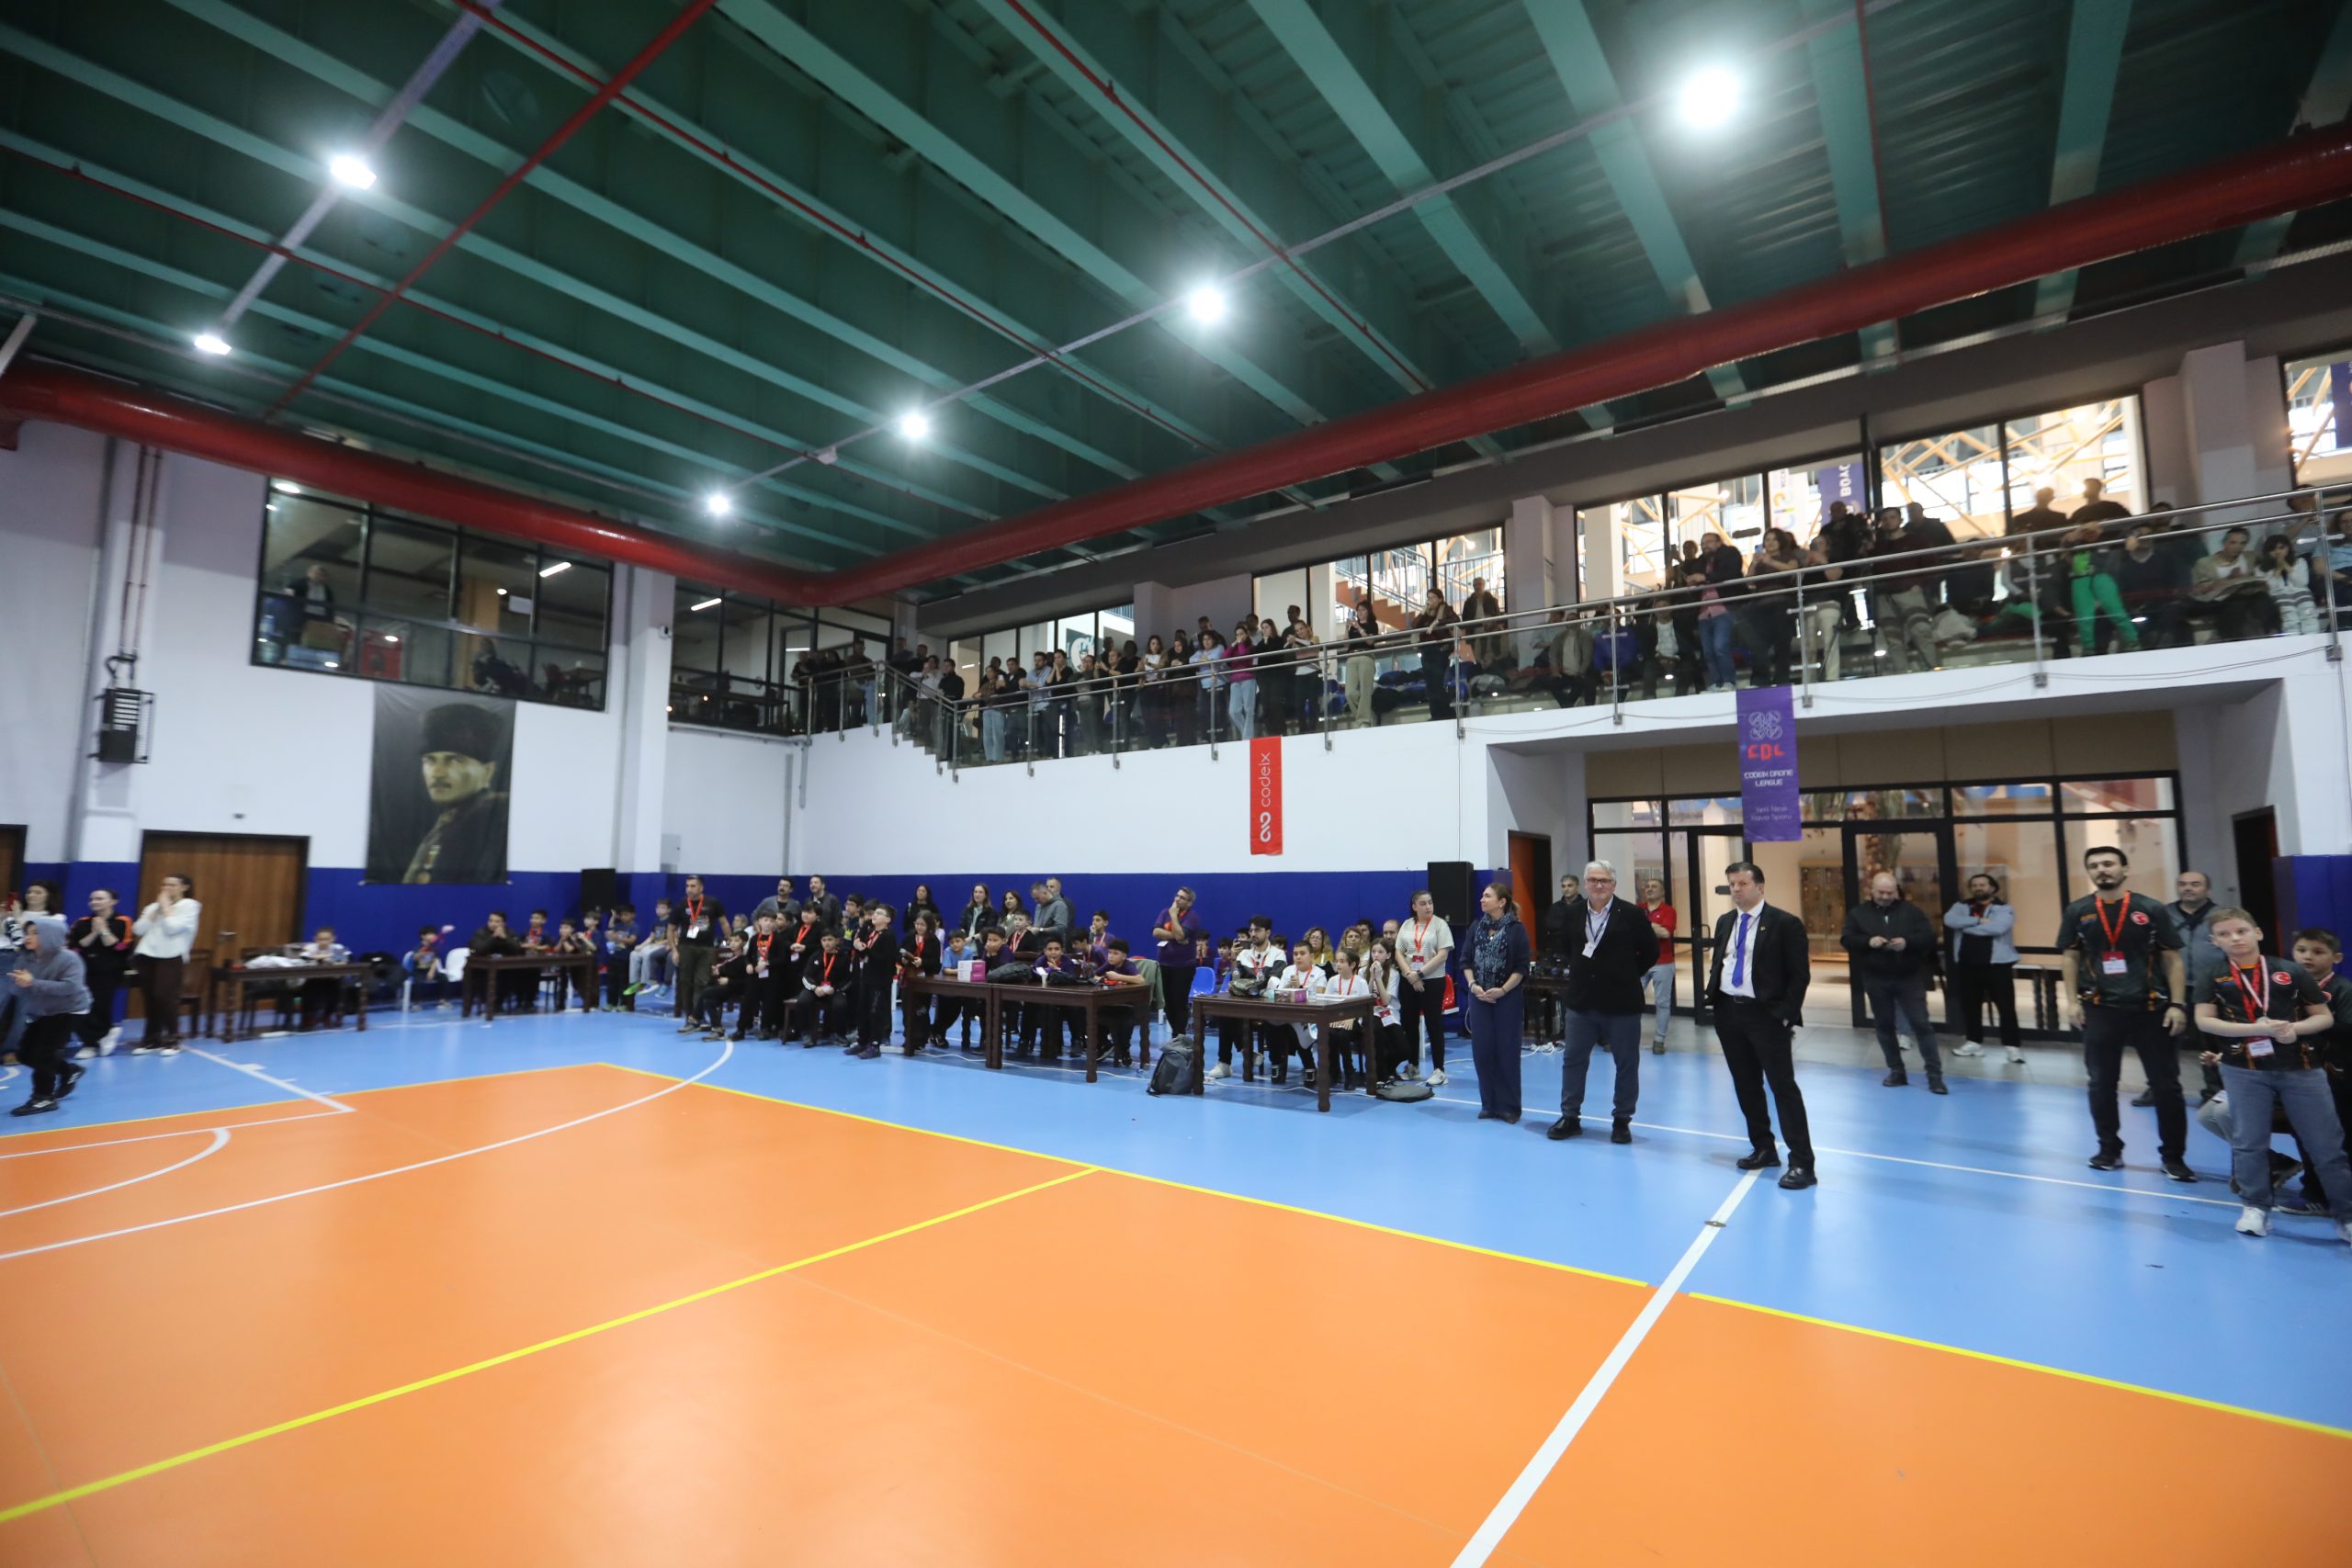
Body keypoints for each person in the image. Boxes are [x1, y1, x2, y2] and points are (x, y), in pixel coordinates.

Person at [2188, 908, 2352, 1242]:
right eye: (2224, 934)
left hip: (2302, 1069)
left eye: (2241, 931)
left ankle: (2347, 1214)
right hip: (2243, 1070)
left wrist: (2293, 1029)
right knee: (2249, 1142)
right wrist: (2254, 1029)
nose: (2235, 938)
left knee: (2326, 1145)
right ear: (2215, 941)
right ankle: (2255, 1208)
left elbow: (2322, 1017)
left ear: (2257, 933)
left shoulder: (2290, 971)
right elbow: (2205, 1021)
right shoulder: (2213, 975)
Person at [2058, 845, 2195, 1180]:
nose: (2101, 869)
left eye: (2108, 863)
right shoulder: (2079, 910)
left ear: (2125, 869)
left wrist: (2177, 1004)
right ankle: (2108, 1149)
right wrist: (2072, 1001)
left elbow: (2172, 959)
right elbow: (2070, 957)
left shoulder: (2150, 908)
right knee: (2101, 1083)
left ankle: (2173, 1157)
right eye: (2094, 865)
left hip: (2152, 1009)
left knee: (2166, 1086)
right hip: (2100, 1009)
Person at [1705, 862, 1816, 1189]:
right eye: (1732, 884)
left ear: (1760, 886)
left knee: (1782, 1087)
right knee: (1745, 1084)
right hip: (1729, 1012)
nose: (1736, 890)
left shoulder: (1785, 923)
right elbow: (1722, 961)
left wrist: (1785, 1013)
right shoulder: (1726, 921)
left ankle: (1802, 1163)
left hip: (1766, 1016)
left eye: (1742, 884)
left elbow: (1799, 975)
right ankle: (1763, 1147)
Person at [1548, 862, 1656, 1144]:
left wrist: (1627, 973)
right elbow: (1564, 948)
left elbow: (1651, 951)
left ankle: (1622, 1120)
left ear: (1613, 885)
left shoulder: (1631, 914)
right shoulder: (1573, 914)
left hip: (1622, 1003)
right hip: (1581, 1002)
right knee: (1573, 1061)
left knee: (1626, 1063)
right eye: (1593, 880)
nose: (1599, 885)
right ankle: (1570, 1116)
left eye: (1604, 880)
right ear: (1585, 884)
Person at [1841, 873, 1945, 1092]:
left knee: (1922, 1025)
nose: (1885, 896)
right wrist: (1868, 942)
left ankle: (1934, 1076)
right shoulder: (1858, 914)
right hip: (1876, 978)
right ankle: (1896, 1071)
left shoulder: (1912, 912)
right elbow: (1847, 938)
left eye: (1890, 893)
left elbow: (1929, 936)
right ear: (1871, 890)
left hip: (1909, 977)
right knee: (1884, 1026)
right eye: (1881, 892)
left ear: (1896, 891)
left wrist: (1908, 942)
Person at [398, 702, 510, 883]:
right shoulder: (450, 820)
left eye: (455, 760)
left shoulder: (494, 817)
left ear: (488, 771)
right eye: (430, 760)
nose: (437, 773)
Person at [8, 915, 90, 1117]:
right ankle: (68, 1071)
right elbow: (17, 990)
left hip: (70, 1009)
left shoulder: (69, 959)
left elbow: (70, 988)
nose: (28, 937)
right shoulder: (25, 958)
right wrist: (19, 984)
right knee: (25, 1054)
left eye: (35, 933)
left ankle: (43, 1098)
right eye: (27, 932)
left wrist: (33, 983)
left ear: (50, 936)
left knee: (45, 1053)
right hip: (44, 1010)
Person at [1463, 884, 1531, 1122]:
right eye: (1482, 895)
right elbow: (1465, 961)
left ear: (1502, 902)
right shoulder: (1476, 927)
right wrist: (1473, 985)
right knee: (1482, 1052)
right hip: (1479, 998)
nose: (1482, 899)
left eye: (1487, 896)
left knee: (1506, 1052)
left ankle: (1509, 1107)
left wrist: (1502, 990)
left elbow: (1522, 967)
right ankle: (1489, 1104)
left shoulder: (1516, 930)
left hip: (1507, 999)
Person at [2163, 870, 2228, 1104]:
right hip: (2172, 988)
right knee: (2163, 1041)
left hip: (2212, 989)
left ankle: (2215, 1091)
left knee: (2212, 1041)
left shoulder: (2224, 915)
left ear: (2207, 889)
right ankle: (2161, 1089)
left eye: (2195, 884)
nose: (2188, 888)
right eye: (2182, 884)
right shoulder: (2163, 914)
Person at [1944, 874, 2023, 1063]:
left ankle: (2012, 1047)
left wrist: (1966, 927)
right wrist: (1979, 922)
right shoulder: (1961, 906)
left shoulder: (2004, 908)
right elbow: (1950, 920)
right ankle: (1974, 1042)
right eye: (1974, 885)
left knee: (2006, 1007)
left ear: (1992, 887)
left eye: (1982, 885)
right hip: (1968, 965)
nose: (1978, 888)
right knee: (1970, 1006)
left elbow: (1998, 928)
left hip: (1997, 966)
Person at [130, 872, 200, 1055]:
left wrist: (167, 907)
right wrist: (156, 911)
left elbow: (172, 929)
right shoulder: (153, 907)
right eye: (164, 885)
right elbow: (138, 930)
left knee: (165, 997)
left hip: (172, 955)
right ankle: (151, 1040)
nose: (166, 888)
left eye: (172, 885)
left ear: (184, 888)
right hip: (147, 955)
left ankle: (173, 1039)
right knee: (150, 998)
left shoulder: (190, 906)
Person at [67, 887, 134, 1057]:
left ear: (113, 901)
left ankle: (96, 1040)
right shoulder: (82, 922)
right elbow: (75, 947)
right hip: (84, 969)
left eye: (99, 899)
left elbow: (121, 947)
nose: (94, 902)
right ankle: (95, 1038)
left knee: (101, 1004)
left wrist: (104, 931)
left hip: (109, 970)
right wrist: (94, 932)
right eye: (92, 899)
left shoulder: (123, 921)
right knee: (80, 1005)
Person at [1396, 890, 1453, 1086]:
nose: (1428, 907)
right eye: (1423, 903)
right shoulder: (1406, 925)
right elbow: (1398, 952)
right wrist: (1410, 976)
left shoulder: (1440, 925)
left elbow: (1442, 955)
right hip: (1409, 980)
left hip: (1433, 980)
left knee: (1434, 1024)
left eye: (1430, 902)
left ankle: (1439, 1070)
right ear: (1414, 907)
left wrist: (1420, 974)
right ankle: (1412, 1066)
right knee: (1409, 1024)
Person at [2189, 527, 2280, 641]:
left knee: (2262, 598)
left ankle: (2273, 633)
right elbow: (2199, 589)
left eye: (2242, 543)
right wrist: (2229, 579)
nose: (2238, 547)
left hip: (2251, 596)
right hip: (2221, 599)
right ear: (2224, 543)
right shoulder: (2205, 563)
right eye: (2233, 543)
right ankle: (2232, 639)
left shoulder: (2251, 557)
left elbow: (2270, 562)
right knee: (2237, 603)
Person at [2112, 522, 2192, 648]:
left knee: (2172, 618)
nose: (2146, 538)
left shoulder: (2167, 556)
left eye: (2149, 534)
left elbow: (2183, 578)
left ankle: (2161, 641)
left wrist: (2178, 597)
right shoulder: (2123, 563)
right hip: (2138, 610)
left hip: (2166, 606)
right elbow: (2118, 590)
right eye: (2140, 535)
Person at [671, 875, 725, 1032]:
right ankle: (690, 1018)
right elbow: (671, 929)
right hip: (686, 947)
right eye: (687, 886)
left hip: (706, 949)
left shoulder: (713, 903)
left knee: (702, 982)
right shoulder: (681, 904)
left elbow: (724, 923)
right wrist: (674, 950)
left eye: (693, 886)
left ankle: (698, 1017)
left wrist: (732, 942)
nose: (689, 889)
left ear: (701, 887)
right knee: (686, 983)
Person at [1690, 531, 1745, 689]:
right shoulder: (1700, 562)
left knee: (1720, 647)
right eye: (1702, 543)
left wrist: (1705, 578)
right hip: (1703, 612)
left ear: (1719, 542)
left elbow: (1731, 573)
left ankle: (1729, 680)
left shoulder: (1730, 554)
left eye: (1708, 542)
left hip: (1723, 608)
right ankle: (1716, 682)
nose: (1705, 545)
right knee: (1708, 652)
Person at [1152, 886, 1205, 1040]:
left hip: (1183, 966)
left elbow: (1182, 934)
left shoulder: (1192, 917)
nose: (1177, 899)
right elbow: (1155, 932)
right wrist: (1175, 936)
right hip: (1164, 964)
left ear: (1189, 903)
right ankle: (1176, 1036)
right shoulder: (1164, 912)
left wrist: (1174, 916)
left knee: (1179, 1002)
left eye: (1182, 898)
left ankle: (1179, 1036)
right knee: (1168, 1003)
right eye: (1177, 895)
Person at [898, 909, 943, 1054]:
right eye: (917, 924)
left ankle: (921, 1039)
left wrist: (922, 962)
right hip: (909, 978)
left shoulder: (933, 941)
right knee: (907, 1009)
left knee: (921, 1010)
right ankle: (908, 1038)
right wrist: (903, 960)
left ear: (929, 925)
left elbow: (935, 963)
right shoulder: (909, 937)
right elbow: (899, 952)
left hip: (924, 980)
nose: (919, 927)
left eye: (922, 925)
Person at [2256, 534, 2321, 635]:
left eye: (2281, 548)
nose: (2277, 552)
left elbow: (2302, 583)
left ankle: (2312, 637)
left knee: (2309, 618)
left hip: (2302, 596)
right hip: (2279, 599)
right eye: (2273, 549)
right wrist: (2278, 569)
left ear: (2288, 548)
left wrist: (2286, 566)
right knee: (2289, 622)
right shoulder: (2261, 569)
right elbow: (2271, 588)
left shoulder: (2300, 562)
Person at [468, 910, 525, 1014]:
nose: (493, 924)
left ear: (503, 923)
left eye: (497, 921)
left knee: (522, 973)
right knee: (482, 977)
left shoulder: (510, 933)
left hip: (505, 968)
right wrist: (493, 937)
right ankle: (491, 1003)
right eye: (491, 921)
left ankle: (523, 1003)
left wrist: (505, 938)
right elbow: (477, 950)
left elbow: (518, 949)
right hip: (483, 969)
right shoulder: (480, 933)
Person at [1412, 589, 1456, 720]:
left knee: (1437, 683)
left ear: (1440, 599)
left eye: (1433, 597)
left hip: (1440, 650)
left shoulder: (1446, 610)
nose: (1430, 600)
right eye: (1428, 597)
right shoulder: (1426, 614)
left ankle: (1446, 713)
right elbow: (1415, 625)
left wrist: (1438, 622)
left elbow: (1455, 619)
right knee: (1430, 685)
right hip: (1427, 651)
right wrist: (1423, 611)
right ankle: (1435, 713)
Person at [1342, 598, 1380, 728]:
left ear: (1368, 611)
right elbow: (1346, 644)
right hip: (1352, 656)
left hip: (1366, 655)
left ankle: (1364, 721)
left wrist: (1359, 628)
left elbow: (1370, 641)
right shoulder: (1352, 627)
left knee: (1365, 690)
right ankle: (1366, 716)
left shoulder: (1372, 625)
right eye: (1358, 610)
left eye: (1362, 610)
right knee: (1349, 692)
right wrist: (1347, 628)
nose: (1360, 613)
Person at [626, 897, 674, 998]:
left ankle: (647, 982)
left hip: (663, 946)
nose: (659, 910)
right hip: (653, 945)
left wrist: (658, 944)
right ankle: (634, 982)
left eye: (663, 908)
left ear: (669, 910)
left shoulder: (671, 921)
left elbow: (672, 938)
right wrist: (641, 946)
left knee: (647, 955)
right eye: (658, 907)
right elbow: (651, 937)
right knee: (634, 954)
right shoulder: (656, 921)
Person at [403, 925, 453, 1009]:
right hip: (418, 970)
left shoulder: (433, 947)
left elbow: (435, 960)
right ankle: (417, 1003)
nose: (433, 936)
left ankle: (443, 1001)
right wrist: (421, 953)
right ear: (423, 936)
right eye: (430, 934)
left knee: (444, 978)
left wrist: (431, 972)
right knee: (418, 982)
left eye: (434, 934)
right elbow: (414, 958)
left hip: (429, 970)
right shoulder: (419, 946)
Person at [1460, 576, 1504, 669]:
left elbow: (1498, 616)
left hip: (1489, 630)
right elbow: (1465, 619)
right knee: (1475, 656)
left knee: (1489, 653)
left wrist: (1498, 626)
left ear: (1484, 585)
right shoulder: (1468, 602)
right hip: (1473, 631)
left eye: (1479, 584)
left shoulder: (1492, 600)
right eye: (1475, 585)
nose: (1477, 587)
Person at [602, 905, 639, 1010]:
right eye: (621, 915)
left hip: (626, 958)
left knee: (624, 982)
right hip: (614, 957)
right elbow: (611, 927)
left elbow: (632, 940)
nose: (623, 917)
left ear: (633, 915)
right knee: (612, 981)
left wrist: (617, 938)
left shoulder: (634, 927)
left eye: (626, 915)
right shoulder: (618, 925)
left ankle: (624, 1003)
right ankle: (611, 1003)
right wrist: (613, 917)